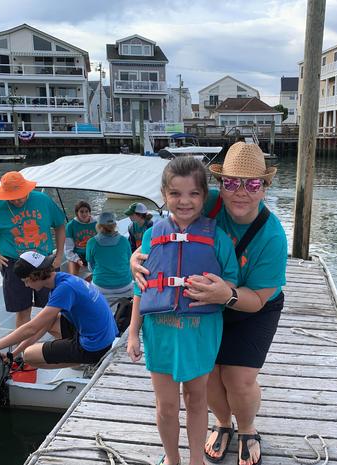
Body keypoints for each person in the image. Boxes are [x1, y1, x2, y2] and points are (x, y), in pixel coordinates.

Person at [131, 142, 287, 465]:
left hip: (253, 305)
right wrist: (136, 259)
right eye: (231, 182)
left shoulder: (272, 237)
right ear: (218, 186)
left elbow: (257, 298)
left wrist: (225, 294)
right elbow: (167, 227)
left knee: (238, 379)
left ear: (265, 187)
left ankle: (246, 428)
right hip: (201, 308)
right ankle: (222, 423)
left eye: (252, 184)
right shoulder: (205, 201)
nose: (240, 192)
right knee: (211, 379)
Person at [126, 157, 238, 465]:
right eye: (175, 193)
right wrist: (133, 333)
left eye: (193, 194)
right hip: (159, 331)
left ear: (204, 195)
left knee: (196, 398)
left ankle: (196, 461)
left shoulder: (217, 237)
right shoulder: (150, 235)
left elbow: (230, 280)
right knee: (165, 405)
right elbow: (140, 287)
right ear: (163, 194)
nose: (184, 201)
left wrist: (219, 291)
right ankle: (173, 459)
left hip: (200, 332)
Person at [0, 251, 119, 368]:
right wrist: (13, 354)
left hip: (95, 347)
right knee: (50, 322)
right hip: (103, 335)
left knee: (30, 356)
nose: (26, 285)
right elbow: (43, 325)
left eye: (26, 281)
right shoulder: (62, 280)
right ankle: (75, 355)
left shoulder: (63, 290)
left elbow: (31, 328)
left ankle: (88, 362)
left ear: (35, 276)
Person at [0, 171, 66, 328]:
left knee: (51, 307)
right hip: (15, 264)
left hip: (43, 261)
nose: (18, 200)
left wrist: (59, 255)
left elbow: (60, 225)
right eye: (12, 197)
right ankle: (23, 349)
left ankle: (57, 343)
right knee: (23, 310)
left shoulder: (43, 200)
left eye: (21, 195)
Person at [86, 211, 133, 308]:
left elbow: (90, 268)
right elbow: (129, 262)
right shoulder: (124, 241)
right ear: (115, 225)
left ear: (98, 225)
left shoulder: (91, 242)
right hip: (125, 286)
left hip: (101, 287)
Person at [65, 200, 97, 276]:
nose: (84, 214)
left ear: (90, 212)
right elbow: (68, 248)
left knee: (98, 274)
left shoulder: (96, 223)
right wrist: (77, 259)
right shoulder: (70, 226)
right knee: (72, 276)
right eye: (81, 211)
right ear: (77, 213)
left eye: (86, 211)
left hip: (93, 253)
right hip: (77, 254)